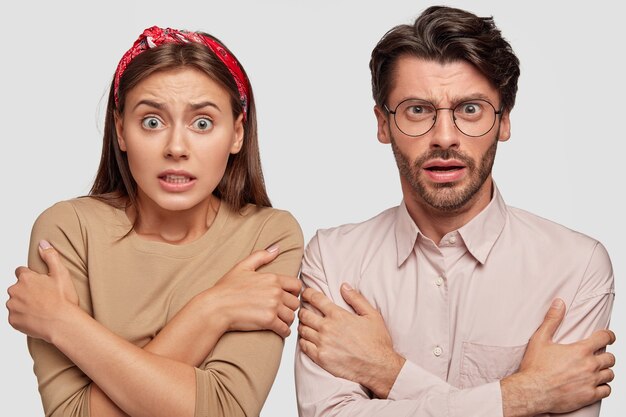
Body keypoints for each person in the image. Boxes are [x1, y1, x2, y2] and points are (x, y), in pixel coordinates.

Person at [295, 6, 615, 417]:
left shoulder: (576, 265)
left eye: (469, 109)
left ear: (503, 121)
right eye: (417, 110)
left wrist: (388, 373)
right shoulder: (332, 258)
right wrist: (526, 395)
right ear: (382, 124)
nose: (444, 137)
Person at [6, 26, 303, 417]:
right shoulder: (69, 230)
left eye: (202, 123)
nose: (176, 148)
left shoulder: (268, 236)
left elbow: (223, 410)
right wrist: (214, 311)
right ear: (120, 130)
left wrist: (63, 323)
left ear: (237, 133)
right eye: (151, 122)